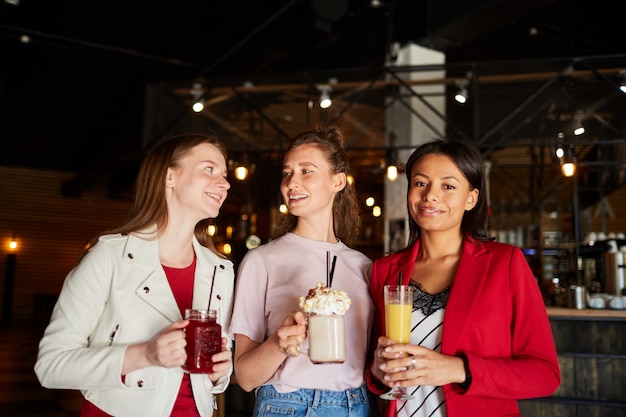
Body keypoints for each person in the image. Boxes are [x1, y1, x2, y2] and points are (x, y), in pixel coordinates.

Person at [35, 133, 235, 417]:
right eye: (209, 169)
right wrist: (145, 355)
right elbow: (51, 366)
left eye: (225, 175)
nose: (225, 183)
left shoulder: (221, 271)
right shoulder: (109, 257)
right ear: (169, 177)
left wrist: (221, 372)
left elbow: (216, 375)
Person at [366, 137, 561, 417]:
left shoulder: (504, 263)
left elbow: (545, 374)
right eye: (421, 183)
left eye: (448, 186)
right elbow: (375, 370)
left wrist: (459, 369)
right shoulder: (384, 270)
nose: (431, 195)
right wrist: (377, 371)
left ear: (471, 198)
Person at [229, 125, 376, 416]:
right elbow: (245, 378)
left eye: (306, 171)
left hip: (358, 405)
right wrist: (279, 343)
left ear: (338, 181)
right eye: (287, 173)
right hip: (289, 405)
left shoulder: (364, 267)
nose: (292, 182)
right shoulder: (262, 261)